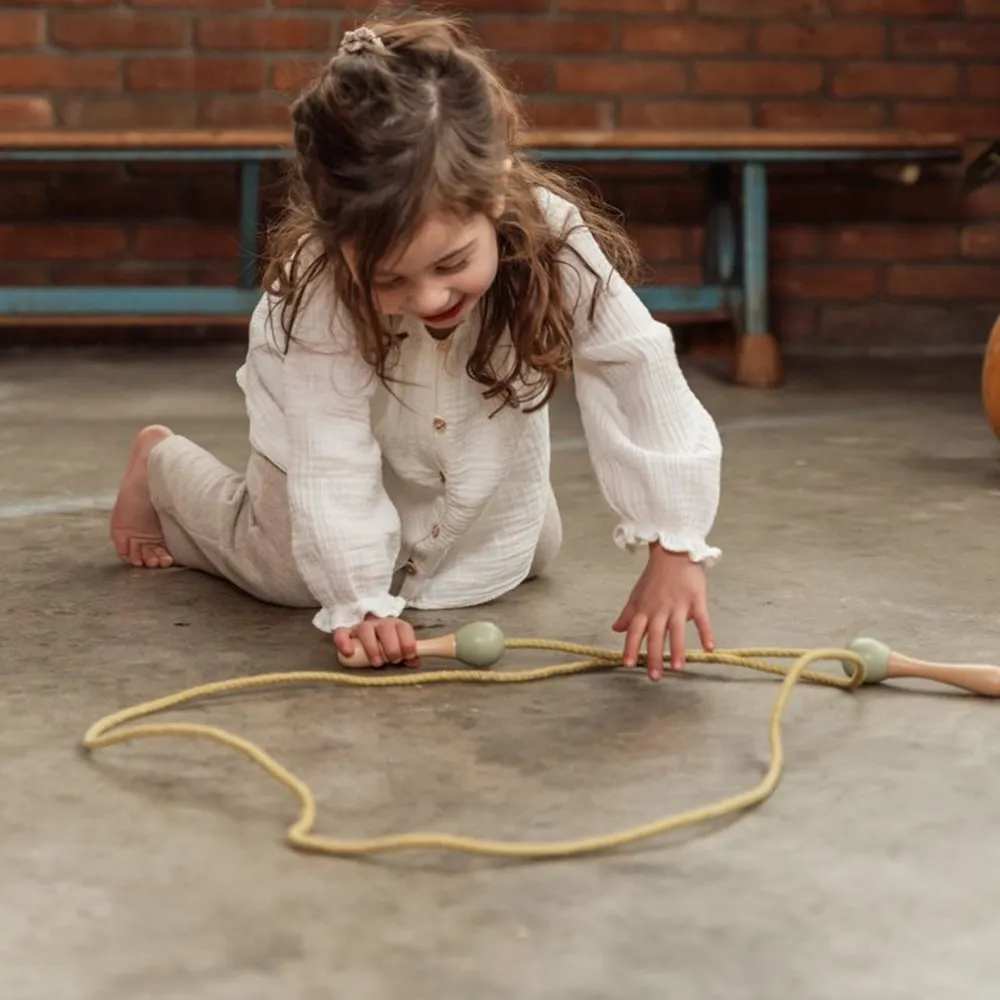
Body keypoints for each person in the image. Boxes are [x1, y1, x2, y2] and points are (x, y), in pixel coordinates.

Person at [109, 14, 723, 682]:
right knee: (289, 574)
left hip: (471, 443)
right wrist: (360, 599)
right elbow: (333, 452)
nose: (430, 299)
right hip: (327, 441)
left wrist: (674, 543)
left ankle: (451, 521)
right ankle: (162, 465)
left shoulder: (554, 235)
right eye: (390, 280)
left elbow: (635, 369)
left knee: (527, 554)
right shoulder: (319, 288)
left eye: (452, 262)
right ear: (338, 241)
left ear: (494, 191)